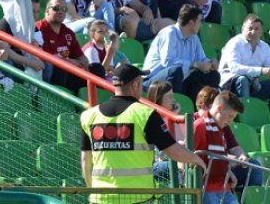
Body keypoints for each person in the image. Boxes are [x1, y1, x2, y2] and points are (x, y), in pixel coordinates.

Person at [80, 64, 206, 203]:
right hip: (137, 197)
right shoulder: (145, 114)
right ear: (136, 84)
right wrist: (196, 159)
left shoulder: (89, 116)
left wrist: (94, 191)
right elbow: (172, 149)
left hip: (101, 198)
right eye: (141, 82)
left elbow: (86, 160)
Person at [142, 5, 220, 100]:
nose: (201, 24)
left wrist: (210, 63)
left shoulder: (193, 37)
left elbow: (201, 60)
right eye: (199, 21)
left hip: (181, 79)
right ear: (191, 23)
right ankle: (175, 107)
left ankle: (199, 110)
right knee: (176, 71)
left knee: (213, 75)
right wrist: (194, 64)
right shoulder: (169, 33)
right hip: (154, 81)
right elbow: (168, 63)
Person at [35, 0, 105, 92]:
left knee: (98, 69)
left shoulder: (68, 32)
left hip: (70, 72)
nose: (61, 11)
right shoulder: (39, 29)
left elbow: (79, 55)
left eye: (64, 9)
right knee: (61, 68)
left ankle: (95, 102)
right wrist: (69, 62)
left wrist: (84, 61)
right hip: (55, 73)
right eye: (57, 8)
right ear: (47, 11)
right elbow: (46, 59)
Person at [219, 14, 270, 104]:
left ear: (261, 31)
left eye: (256, 29)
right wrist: (262, 70)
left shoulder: (264, 47)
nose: (253, 32)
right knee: (243, 80)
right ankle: (245, 115)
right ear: (243, 29)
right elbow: (235, 69)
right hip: (229, 88)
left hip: (253, 86)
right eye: (250, 28)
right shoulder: (234, 43)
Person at [194, 90, 246, 204]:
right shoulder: (200, 125)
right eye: (230, 116)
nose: (231, 120)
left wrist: (229, 172)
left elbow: (219, 157)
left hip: (224, 188)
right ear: (220, 108)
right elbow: (188, 154)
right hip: (206, 189)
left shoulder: (221, 129)